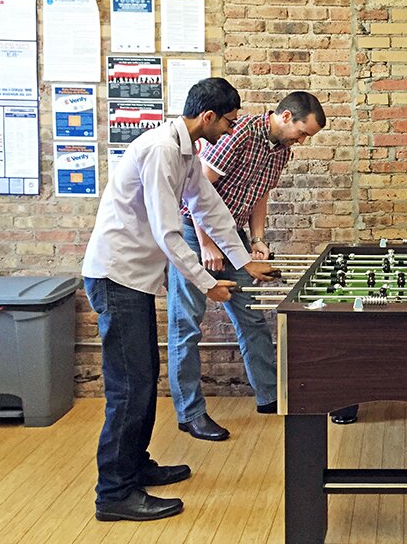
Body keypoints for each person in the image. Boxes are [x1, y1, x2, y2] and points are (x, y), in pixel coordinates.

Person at [82, 77, 277, 522]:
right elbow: (168, 233)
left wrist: (244, 261)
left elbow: (210, 208)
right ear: (207, 117)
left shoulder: (185, 151)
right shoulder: (160, 151)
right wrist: (208, 284)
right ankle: (114, 493)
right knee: (128, 389)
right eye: (227, 122)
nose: (230, 131)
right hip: (116, 277)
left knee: (143, 378)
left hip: (132, 279)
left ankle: (134, 466)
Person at [168, 91, 327, 441]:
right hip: (195, 234)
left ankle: (269, 396)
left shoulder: (282, 151)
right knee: (187, 325)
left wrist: (256, 240)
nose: (302, 140)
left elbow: (259, 195)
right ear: (285, 116)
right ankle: (190, 414)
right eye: (302, 132)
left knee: (252, 316)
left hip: (233, 234)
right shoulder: (239, 134)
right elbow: (197, 190)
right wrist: (208, 245)